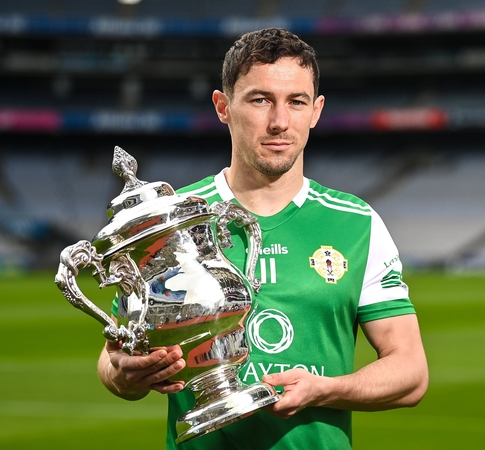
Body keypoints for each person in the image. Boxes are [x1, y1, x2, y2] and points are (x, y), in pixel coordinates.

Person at [96, 28, 428, 449]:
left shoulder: (356, 223)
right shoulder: (170, 221)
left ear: (316, 110)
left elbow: (411, 373)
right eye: (260, 100)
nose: (279, 122)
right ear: (223, 106)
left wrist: (324, 389)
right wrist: (125, 374)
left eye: (296, 102)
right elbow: (113, 362)